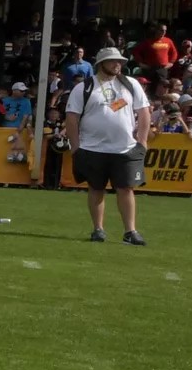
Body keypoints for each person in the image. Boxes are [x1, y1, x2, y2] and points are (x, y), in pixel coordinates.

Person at [61, 43, 150, 246]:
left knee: (126, 188)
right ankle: (98, 229)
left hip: (125, 147)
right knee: (96, 188)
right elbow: (72, 117)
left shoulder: (130, 84)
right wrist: (75, 147)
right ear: (102, 63)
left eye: (119, 61)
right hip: (92, 147)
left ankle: (130, 231)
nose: (118, 64)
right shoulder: (84, 87)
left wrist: (142, 140)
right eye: (113, 61)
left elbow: (144, 112)